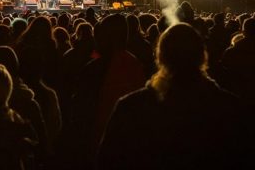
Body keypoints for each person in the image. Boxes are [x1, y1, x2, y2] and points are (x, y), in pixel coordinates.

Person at [97, 23, 251, 169]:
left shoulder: (132, 107)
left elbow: (108, 160)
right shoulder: (230, 107)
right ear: (202, 56)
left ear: (160, 57)